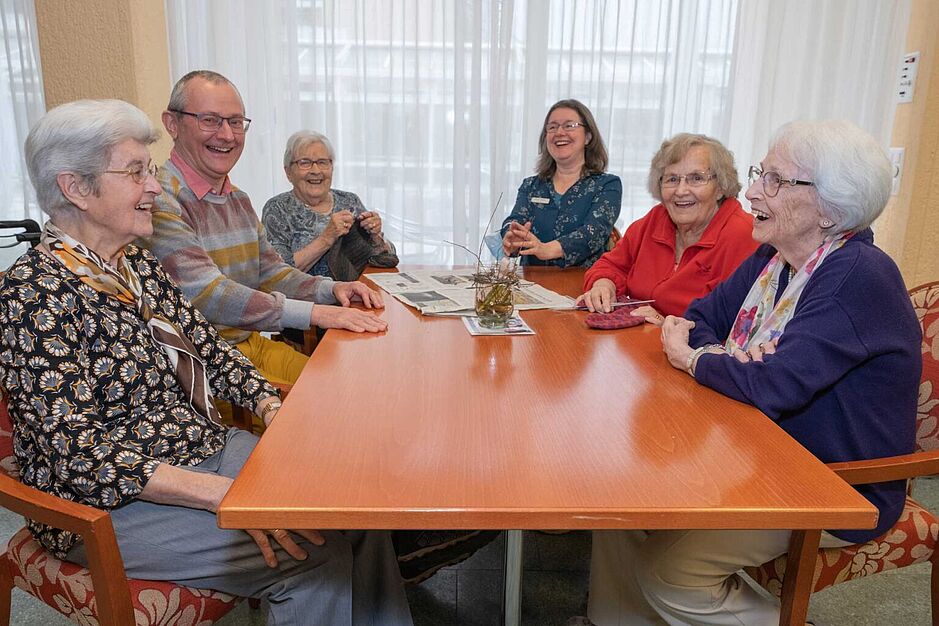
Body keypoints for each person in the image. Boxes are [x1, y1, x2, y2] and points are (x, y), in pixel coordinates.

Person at [0, 99, 412, 626]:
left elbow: (208, 349)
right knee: (316, 556)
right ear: (75, 188)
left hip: (201, 445)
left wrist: (267, 402)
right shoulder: (34, 293)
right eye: (135, 172)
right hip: (110, 500)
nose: (153, 186)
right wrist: (221, 495)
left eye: (150, 170)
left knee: (355, 511)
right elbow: (77, 453)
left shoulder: (135, 264)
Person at [588, 120, 921, 626]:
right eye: (760, 172)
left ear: (830, 208)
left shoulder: (857, 276)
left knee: (668, 574)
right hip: (751, 447)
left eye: (776, 180)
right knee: (617, 506)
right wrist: (727, 359)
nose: (753, 190)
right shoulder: (775, 258)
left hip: (830, 482)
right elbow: (699, 318)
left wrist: (698, 359)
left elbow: (771, 383)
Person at [144, 70, 387, 386]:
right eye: (210, 120)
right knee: (334, 402)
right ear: (172, 124)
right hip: (203, 366)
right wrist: (317, 314)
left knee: (351, 384)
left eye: (235, 122)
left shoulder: (238, 199)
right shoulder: (159, 201)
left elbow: (273, 272)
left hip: (248, 345)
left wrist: (332, 289)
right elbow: (208, 294)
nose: (227, 135)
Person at [577, 133, 756, 325]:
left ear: (721, 187)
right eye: (671, 179)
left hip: (691, 350)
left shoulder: (744, 235)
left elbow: (738, 326)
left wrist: (670, 326)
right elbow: (611, 265)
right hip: (636, 341)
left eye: (696, 178)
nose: (680, 191)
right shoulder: (656, 219)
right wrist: (604, 283)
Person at [500, 99, 621, 268]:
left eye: (569, 125)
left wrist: (548, 249)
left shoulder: (607, 185)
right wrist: (511, 235)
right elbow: (514, 220)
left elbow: (594, 232)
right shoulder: (531, 186)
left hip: (584, 286)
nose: (559, 132)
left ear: (588, 136)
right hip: (532, 284)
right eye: (552, 127)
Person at [263, 130, 398, 281]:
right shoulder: (277, 209)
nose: (316, 171)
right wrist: (326, 238)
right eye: (305, 163)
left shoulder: (349, 201)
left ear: (332, 168)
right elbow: (278, 274)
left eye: (322, 162)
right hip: (309, 301)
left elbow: (387, 260)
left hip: (357, 295)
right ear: (288, 172)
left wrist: (376, 236)